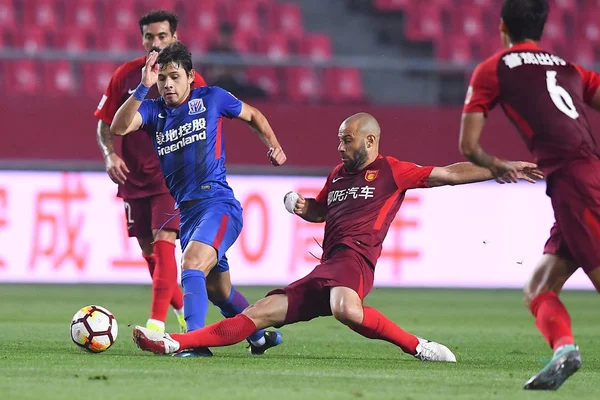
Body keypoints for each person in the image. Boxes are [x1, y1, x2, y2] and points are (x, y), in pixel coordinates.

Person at [131, 112, 541, 361]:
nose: (340, 146)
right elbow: (319, 211)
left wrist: (499, 167)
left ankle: (418, 346)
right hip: (326, 267)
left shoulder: (392, 171)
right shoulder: (337, 176)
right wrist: (300, 205)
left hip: (355, 262)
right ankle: (174, 342)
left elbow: (450, 174)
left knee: (346, 307)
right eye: (339, 140)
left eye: (347, 140)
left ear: (370, 140)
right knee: (256, 313)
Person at [110, 41, 287, 357]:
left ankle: (194, 342)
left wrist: (273, 145)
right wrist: (142, 87)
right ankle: (259, 337)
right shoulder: (153, 111)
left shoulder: (212, 98)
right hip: (188, 213)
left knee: (191, 265)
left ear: (190, 77)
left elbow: (253, 114)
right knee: (219, 291)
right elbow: (118, 127)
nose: (167, 85)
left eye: (174, 77)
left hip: (218, 204)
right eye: (162, 78)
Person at [458, 0, 600, 390]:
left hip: (575, 183)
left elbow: (468, 146)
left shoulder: (493, 69)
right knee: (538, 289)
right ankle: (564, 350)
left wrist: (499, 165)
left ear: (502, 26)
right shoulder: (568, 68)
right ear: (541, 28)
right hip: (579, 179)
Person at [95, 10, 206, 334]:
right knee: (149, 251)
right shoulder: (126, 75)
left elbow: (204, 124)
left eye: (162, 36)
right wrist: (109, 154)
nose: (155, 43)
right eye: (149, 37)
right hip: (133, 176)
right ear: (142, 39)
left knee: (164, 242)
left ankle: (156, 324)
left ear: (174, 37)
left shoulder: (191, 79)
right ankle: (184, 312)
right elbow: (105, 122)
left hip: (170, 177)